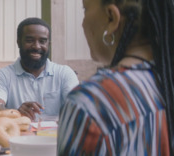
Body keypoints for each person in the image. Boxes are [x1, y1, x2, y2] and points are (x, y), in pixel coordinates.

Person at [58, 0, 174, 155]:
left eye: (85, 10)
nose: (82, 23)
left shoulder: (91, 102)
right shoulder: (165, 83)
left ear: (111, 18)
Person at [0, 17, 79, 120]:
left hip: (54, 136)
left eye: (42, 41)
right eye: (29, 40)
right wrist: (16, 113)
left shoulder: (64, 74)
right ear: (18, 42)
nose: (37, 46)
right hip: (16, 135)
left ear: (49, 44)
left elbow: (80, 109)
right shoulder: (3, 75)